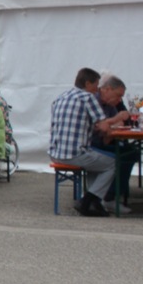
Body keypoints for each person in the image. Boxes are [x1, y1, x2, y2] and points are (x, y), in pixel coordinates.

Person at [48, 67, 125, 217]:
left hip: (55, 152)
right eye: (96, 85)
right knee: (113, 163)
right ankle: (88, 201)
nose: (97, 90)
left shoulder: (61, 97)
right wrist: (118, 118)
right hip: (74, 154)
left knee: (96, 160)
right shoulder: (87, 97)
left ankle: (93, 202)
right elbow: (103, 127)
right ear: (88, 83)